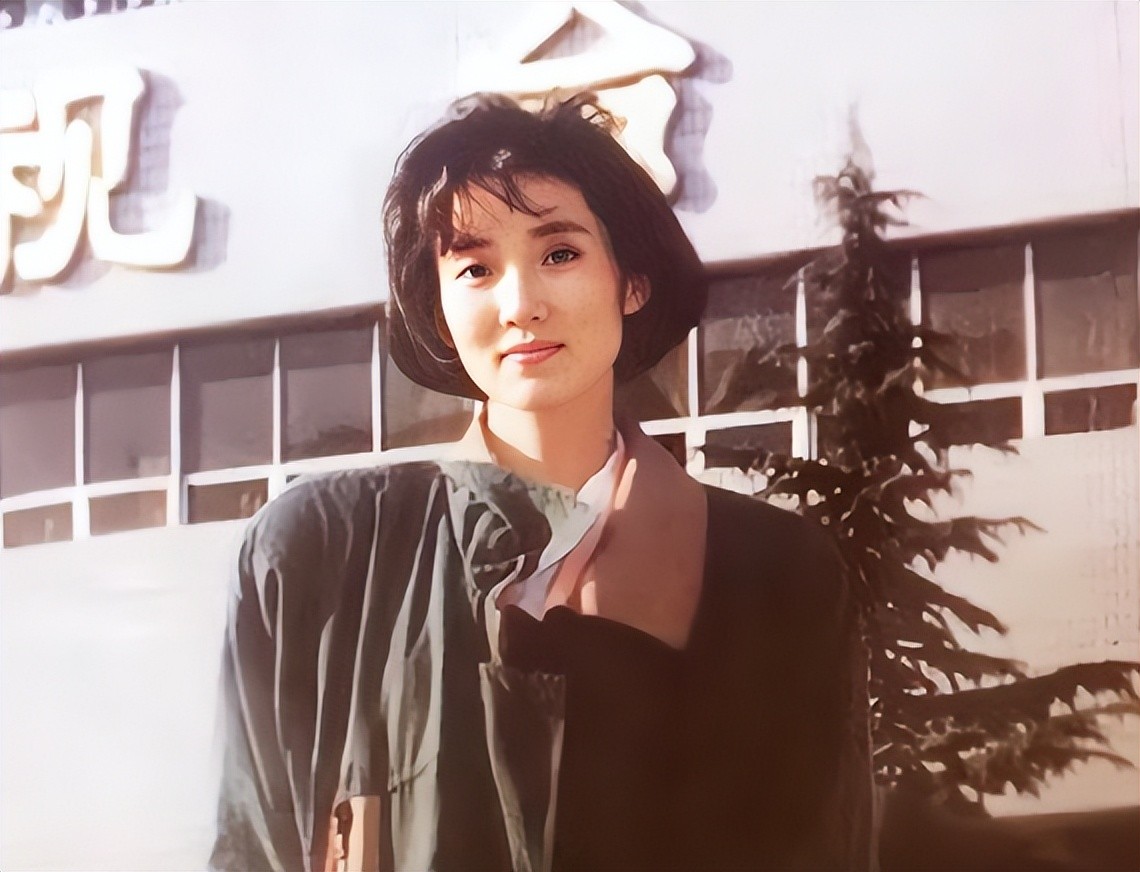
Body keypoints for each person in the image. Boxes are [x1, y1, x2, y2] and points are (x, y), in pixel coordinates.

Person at [209, 92, 874, 872]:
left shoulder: (777, 570)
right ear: (439, 309)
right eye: (475, 268)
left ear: (632, 281)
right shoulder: (322, 552)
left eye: (559, 254)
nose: (520, 304)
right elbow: (252, 844)